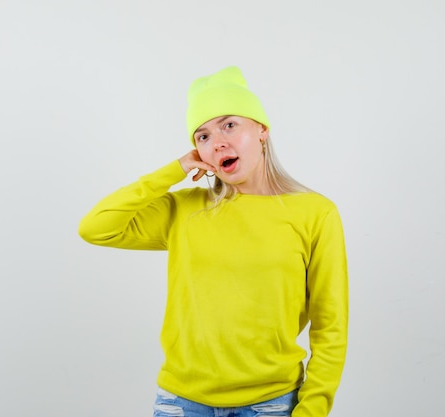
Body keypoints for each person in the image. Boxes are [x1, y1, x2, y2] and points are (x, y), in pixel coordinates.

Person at [78, 66, 348, 417]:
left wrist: (312, 409)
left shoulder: (315, 212)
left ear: (262, 129)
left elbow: (330, 323)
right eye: (202, 136)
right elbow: (96, 227)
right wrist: (174, 170)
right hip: (182, 402)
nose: (217, 141)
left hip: (272, 403)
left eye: (229, 125)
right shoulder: (185, 209)